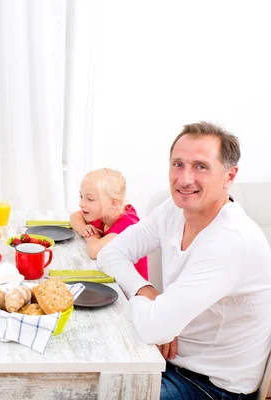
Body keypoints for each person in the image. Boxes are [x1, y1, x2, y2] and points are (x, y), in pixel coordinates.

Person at [98, 122, 271, 399]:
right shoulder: (173, 209)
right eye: (178, 164)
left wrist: (160, 319)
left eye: (200, 166)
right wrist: (146, 291)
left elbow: (154, 327)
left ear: (229, 176)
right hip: (164, 360)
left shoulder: (231, 239)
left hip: (213, 386)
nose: (184, 178)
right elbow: (110, 253)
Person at [70, 168, 148, 279]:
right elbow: (75, 216)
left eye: (90, 199)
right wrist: (84, 227)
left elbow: (94, 251)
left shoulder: (128, 225)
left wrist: (92, 235)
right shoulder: (104, 213)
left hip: (128, 293)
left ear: (113, 202)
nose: (81, 203)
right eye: (81, 196)